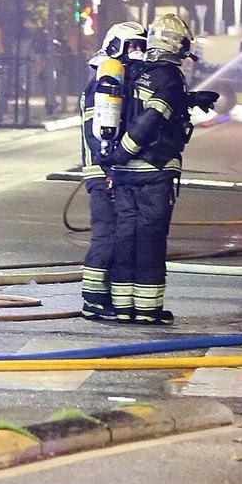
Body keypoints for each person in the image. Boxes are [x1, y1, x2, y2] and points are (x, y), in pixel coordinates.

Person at [106, 14, 219, 325]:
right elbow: (151, 119)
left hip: (126, 175)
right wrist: (126, 151)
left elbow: (141, 107)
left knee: (125, 238)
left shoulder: (136, 71)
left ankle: (123, 307)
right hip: (153, 171)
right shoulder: (169, 76)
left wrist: (188, 100)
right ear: (175, 45)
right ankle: (147, 310)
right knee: (150, 240)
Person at [79, 20, 147, 319]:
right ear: (116, 47)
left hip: (114, 171)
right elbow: (96, 133)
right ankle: (93, 300)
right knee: (105, 235)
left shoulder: (121, 81)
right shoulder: (103, 83)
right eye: (132, 46)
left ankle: (105, 296)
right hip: (101, 171)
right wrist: (106, 167)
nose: (137, 52)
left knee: (119, 235)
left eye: (141, 46)